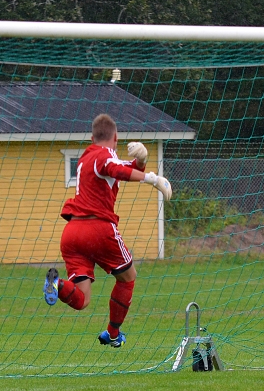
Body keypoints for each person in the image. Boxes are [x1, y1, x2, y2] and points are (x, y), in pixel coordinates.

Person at [42, 114, 172, 348]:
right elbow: (114, 168)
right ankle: (113, 334)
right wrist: (152, 179)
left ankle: (57, 284)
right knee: (128, 277)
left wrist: (142, 160)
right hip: (98, 228)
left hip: (72, 233)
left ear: (92, 138)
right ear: (116, 137)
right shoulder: (106, 156)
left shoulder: (86, 157)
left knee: (81, 300)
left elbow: (124, 168)